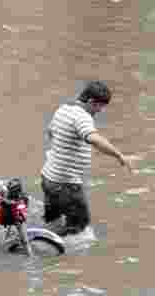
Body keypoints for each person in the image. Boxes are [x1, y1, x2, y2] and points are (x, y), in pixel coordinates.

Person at [40, 80, 134, 236]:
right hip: (66, 184)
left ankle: (41, 242)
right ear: (91, 101)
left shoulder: (63, 109)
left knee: (52, 222)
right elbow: (94, 139)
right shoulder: (82, 117)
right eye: (100, 106)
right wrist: (120, 156)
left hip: (49, 179)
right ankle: (61, 257)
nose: (100, 110)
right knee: (79, 229)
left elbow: (51, 133)